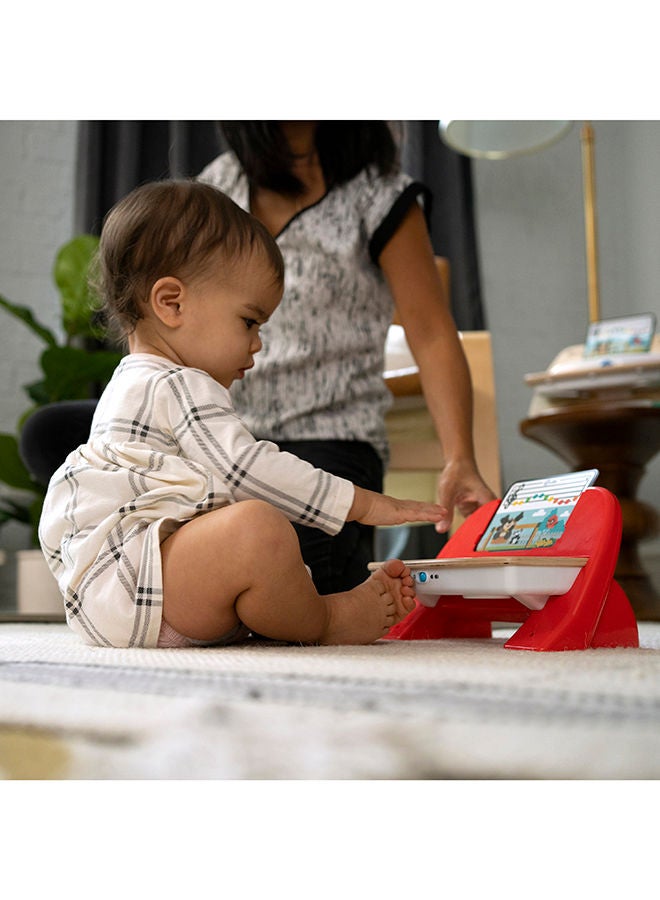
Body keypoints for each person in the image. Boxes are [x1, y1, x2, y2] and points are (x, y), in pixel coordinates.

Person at [38, 180, 450, 649]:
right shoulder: (177, 382)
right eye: (249, 322)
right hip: (142, 589)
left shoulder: (129, 380)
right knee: (259, 528)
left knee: (250, 530)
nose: (257, 343)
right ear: (172, 303)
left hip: (124, 595)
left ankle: (271, 616)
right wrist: (361, 502)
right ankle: (328, 618)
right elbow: (244, 467)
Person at [198, 121, 496, 594]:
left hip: (328, 438)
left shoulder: (378, 195)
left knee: (295, 579)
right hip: (219, 436)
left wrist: (459, 457)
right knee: (54, 435)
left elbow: (432, 332)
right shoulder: (216, 188)